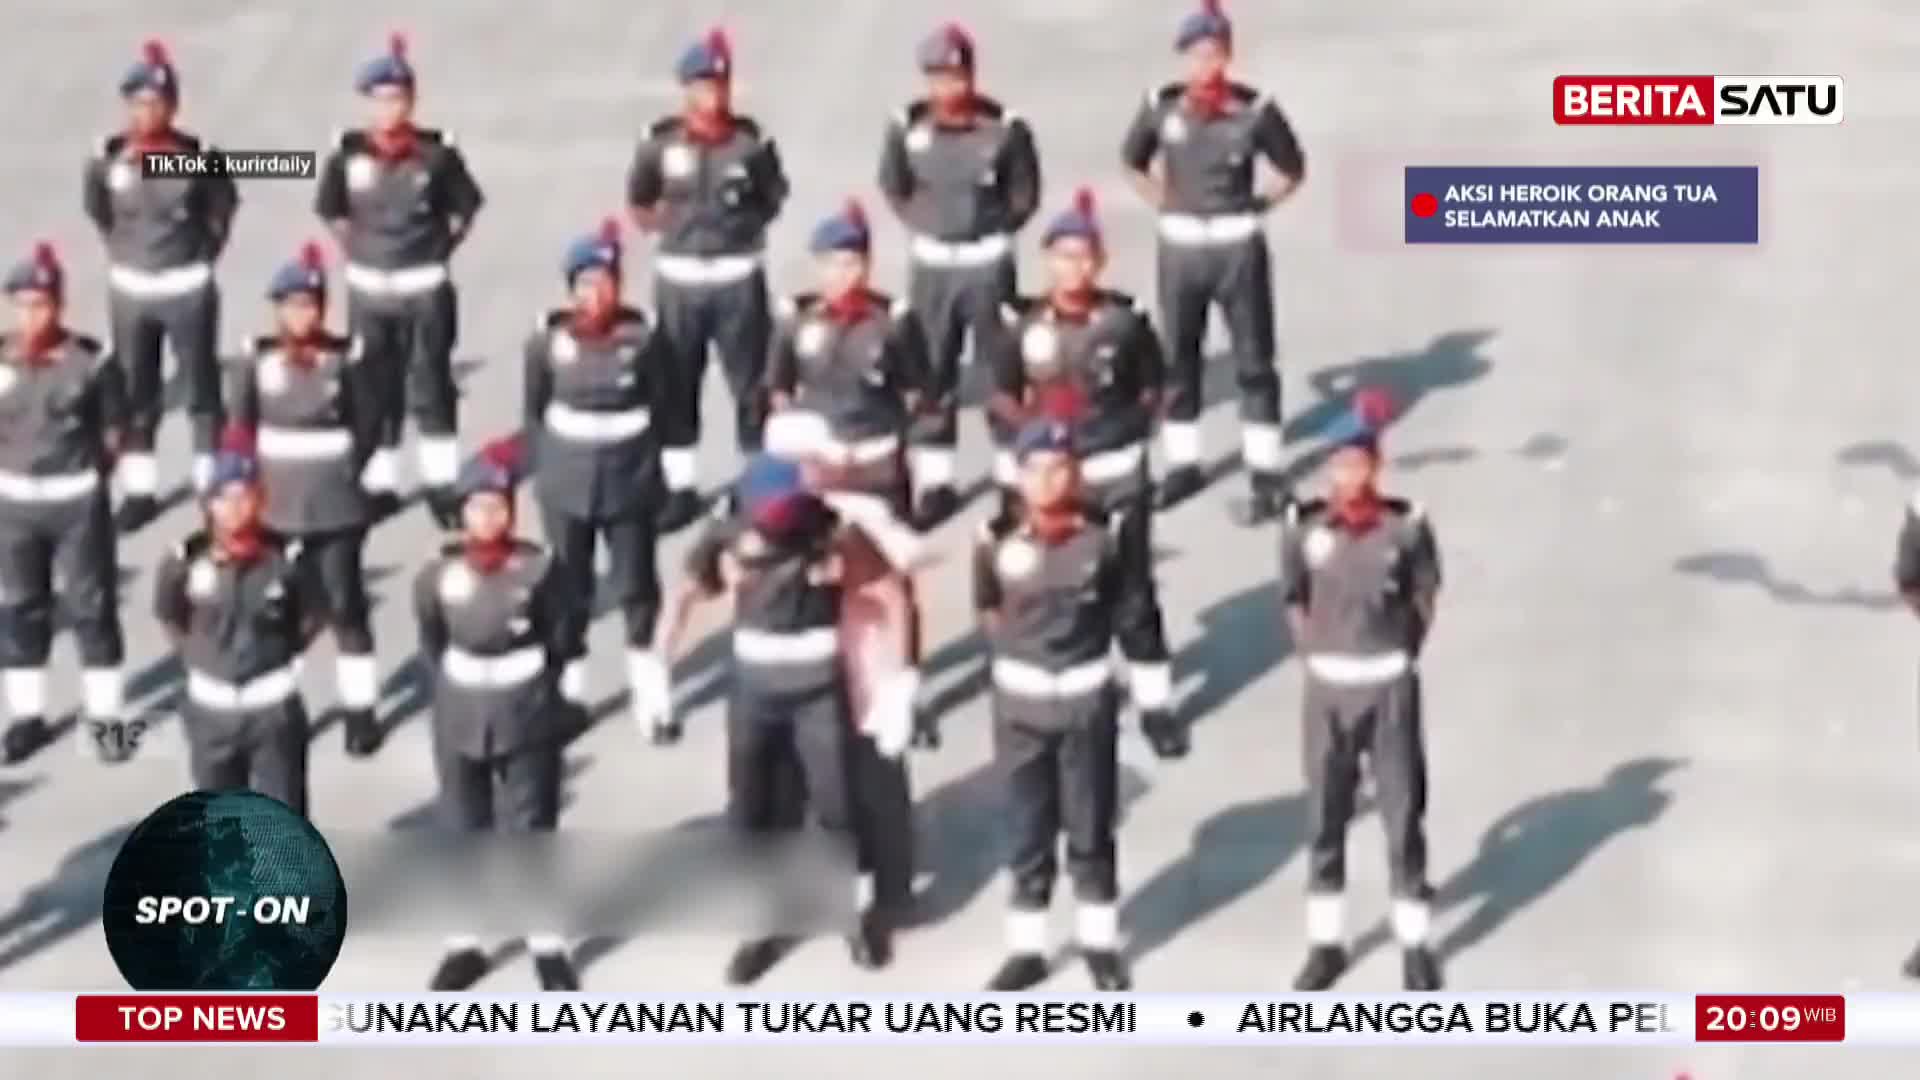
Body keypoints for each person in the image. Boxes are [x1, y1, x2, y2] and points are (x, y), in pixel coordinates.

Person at [657, 454, 907, 984]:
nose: (779, 519)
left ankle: (857, 913)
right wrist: (658, 668)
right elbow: (684, 595)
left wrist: (900, 683)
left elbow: (889, 594)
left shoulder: (833, 531)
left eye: (786, 507)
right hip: (754, 691)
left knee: (839, 805)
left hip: (818, 689)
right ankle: (761, 924)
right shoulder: (727, 534)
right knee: (752, 810)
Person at [988, 189, 1183, 758]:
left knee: (1133, 590)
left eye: (1083, 256)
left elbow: (1156, 385)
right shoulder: (1022, 324)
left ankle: (1155, 703)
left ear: (1099, 262)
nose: (1073, 267)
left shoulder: (1123, 320)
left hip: (1112, 472)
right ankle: (1046, 691)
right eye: (1062, 255)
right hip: (1045, 476)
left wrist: (1130, 430)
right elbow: (1001, 393)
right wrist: (1030, 437)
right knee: (1042, 585)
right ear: (1047, 261)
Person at [973, 419, 1164, 992]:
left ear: (1075, 474)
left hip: (1084, 702)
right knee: (1026, 827)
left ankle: (1099, 942)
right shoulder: (995, 538)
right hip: (1020, 708)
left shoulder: (1104, 536)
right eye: (1035, 470)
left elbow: (1129, 608)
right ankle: (1027, 949)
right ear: (1019, 477)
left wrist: (1146, 693)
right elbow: (989, 608)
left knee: (1090, 823)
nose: (1047, 481)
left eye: (1059, 469)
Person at [1278, 393, 1442, 992]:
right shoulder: (1304, 528)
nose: (1347, 473)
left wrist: (1397, 652)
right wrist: (1315, 653)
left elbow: (1424, 597)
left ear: (1376, 465)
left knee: (1402, 815)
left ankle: (1414, 943)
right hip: (1328, 692)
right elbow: (1293, 597)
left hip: (1388, 686)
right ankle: (1326, 944)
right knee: (1325, 816)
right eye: (1338, 463)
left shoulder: (1407, 528)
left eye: (1358, 462)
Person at [1119, 0, 1307, 523]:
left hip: (1236, 247)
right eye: (1196, 53)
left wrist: (1260, 205)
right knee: (1179, 357)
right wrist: (1162, 199)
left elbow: (1293, 168)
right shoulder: (1161, 108)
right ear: (1184, 57)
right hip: (1181, 249)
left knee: (1254, 359)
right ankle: (1183, 464)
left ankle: (1264, 468)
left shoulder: (1255, 112)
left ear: (1228, 54)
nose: (1205, 63)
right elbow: (1132, 160)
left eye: (1214, 52)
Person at [412, 436, 584, 991]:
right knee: (463, 823)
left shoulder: (539, 570)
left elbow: (563, 637)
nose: (487, 517)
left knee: (530, 825)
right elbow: (433, 640)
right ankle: (466, 943)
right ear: (462, 515)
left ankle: (546, 944)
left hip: (525, 707)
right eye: (477, 507)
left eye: (497, 506)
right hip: (460, 709)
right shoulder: (437, 575)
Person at [314, 32, 485, 527]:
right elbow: (332, 211)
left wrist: (437, 250)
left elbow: (465, 209)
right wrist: (359, 250)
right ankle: (380, 482)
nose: (388, 108)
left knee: (430, 385)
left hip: (423, 288)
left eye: (397, 98)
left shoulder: (436, 155)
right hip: (370, 290)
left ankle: (440, 485)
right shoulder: (348, 156)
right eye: (379, 99)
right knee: (373, 387)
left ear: (411, 101)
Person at [876, 23, 1040, 528]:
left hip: (986, 264)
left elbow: (1024, 195)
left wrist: (987, 228)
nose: (947, 86)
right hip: (933, 268)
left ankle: (1011, 479)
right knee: (931, 372)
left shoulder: (1004, 129)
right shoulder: (907, 128)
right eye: (937, 78)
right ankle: (936, 482)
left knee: (1002, 370)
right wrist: (929, 223)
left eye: (955, 76)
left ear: (971, 75)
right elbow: (894, 186)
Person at [627, 28, 790, 532]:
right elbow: (640, 197)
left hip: (736, 276)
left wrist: (740, 231)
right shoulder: (660, 143)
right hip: (679, 278)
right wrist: (668, 228)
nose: (709, 96)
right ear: (685, 91)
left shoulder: (749, 143)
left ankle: (757, 482)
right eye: (700, 87)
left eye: (717, 86)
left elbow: (773, 196)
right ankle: (680, 488)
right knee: (677, 383)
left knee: (751, 383)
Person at [226, 243, 385, 758]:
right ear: (278, 310)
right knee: (279, 611)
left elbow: (368, 422)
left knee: (345, 604)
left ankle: (360, 711)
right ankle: (282, 711)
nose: (302, 315)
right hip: (275, 506)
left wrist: (345, 469)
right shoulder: (257, 358)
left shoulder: (345, 358)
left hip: (336, 503)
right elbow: (241, 429)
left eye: (310, 305)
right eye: (292, 305)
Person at [523, 220, 671, 741]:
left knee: (638, 588)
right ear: (571, 290)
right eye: (585, 283)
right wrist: (547, 473)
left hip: (630, 481)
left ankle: (652, 697)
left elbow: (665, 405)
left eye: (605, 281)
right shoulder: (548, 340)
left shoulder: (643, 337)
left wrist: (657, 473)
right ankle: (569, 696)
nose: (596, 293)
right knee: (568, 589)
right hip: (566, 483)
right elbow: (536, 411)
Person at [83, 38, 238, 531]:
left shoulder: (194, 157)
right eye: (138, 103)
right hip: (132, 290)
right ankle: (139, 489)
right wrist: (125, 252)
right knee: (135, 391)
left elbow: (221, 208)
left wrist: (202, 254)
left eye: (155, 102)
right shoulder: (110, 159)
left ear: (172, 106)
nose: (146, 112)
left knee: (201, 387)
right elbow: (100, 212)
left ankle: (210, 480)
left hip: (186, 287)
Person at [0, 244, 130, 766]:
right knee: (19, 607)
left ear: (59, 304)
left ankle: (107, 721)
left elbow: (116, 431)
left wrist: (89, 475)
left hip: (75, 502)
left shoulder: (90, 362)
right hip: (14, 506)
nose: (31, 315)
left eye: (41, 304)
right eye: (22, 304)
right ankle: (27, 717)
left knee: (91, 607)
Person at [152, 440, 319, 815]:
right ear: (209, 504)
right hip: (211, 708)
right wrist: (197, 654)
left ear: (260, 499)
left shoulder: (286, 558)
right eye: (224, 498)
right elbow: (168, 612)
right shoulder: (185, 560)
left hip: (271, 706)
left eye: (244, 496)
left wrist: (283, 654)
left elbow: (312, 613)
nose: (235, 507)